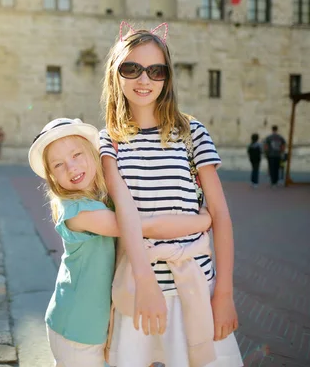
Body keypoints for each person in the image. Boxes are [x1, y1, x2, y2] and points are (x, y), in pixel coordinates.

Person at [99, 22, 242, 366]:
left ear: (167, 77)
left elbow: (219, 215)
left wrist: (224, 293)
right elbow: (124, 214)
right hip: (137, 284)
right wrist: (147, 280)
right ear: (116, 74)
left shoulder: (191, 132)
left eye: (155, 70)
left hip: (192, 283)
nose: (144, 79)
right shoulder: (109, 140)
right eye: (131, 68)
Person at [28, 118, 214, 367]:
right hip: (75, 328)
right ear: (51, 176)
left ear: (92, 154)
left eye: (77, 155)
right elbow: (138, 225)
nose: (71, 168)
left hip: (91, 325)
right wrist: (201, 223)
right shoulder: (76, 211)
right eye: (59, 165)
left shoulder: (99, 199)